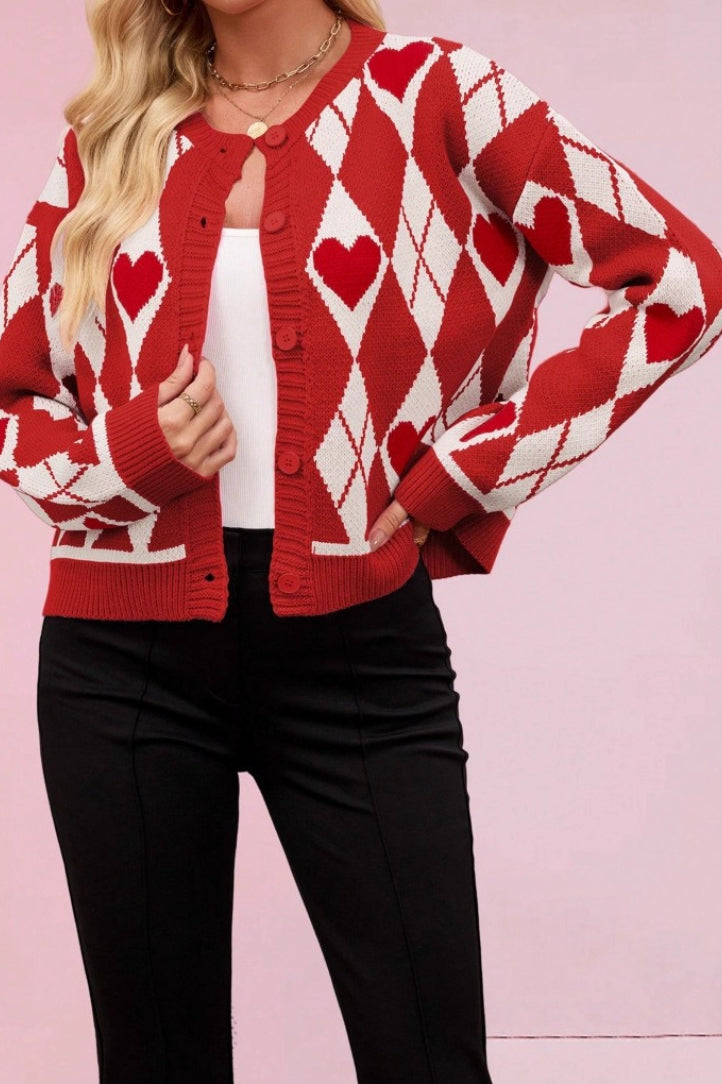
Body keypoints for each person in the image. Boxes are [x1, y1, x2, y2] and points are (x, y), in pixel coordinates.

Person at [1, 0, 721, 1081]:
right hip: (119, 667)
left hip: (359, 655)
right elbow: (12, 403)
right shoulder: (112, 134)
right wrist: (134, 453)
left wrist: (465, 471)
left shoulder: (438, 95)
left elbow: (682, 285)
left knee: (428, 1059)